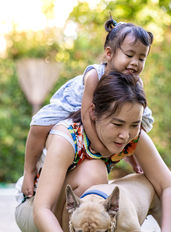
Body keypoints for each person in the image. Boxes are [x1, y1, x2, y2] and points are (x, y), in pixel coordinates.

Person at [15, 72, 171, 232]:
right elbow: (41, 209)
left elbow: (167, 186)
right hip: (36, 212)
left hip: (86, 222)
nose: (125, 135)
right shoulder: (66, 137)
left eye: (134, 124)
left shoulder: (132, 136)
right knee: (94, 170)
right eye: (117, 124)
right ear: (93, 112)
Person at [22, 17, 154, 198]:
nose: (135, 63)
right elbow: (86, 115)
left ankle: (132, 157)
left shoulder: (136, 82)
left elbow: (131, 120)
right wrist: (100, 147)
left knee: (138, 122)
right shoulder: (93, 75)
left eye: (141, 58)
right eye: (129, 55)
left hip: (107, 112)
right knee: (38, 125)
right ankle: (29, 172)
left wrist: (132, 154)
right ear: (109, 54)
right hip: (74, 105)